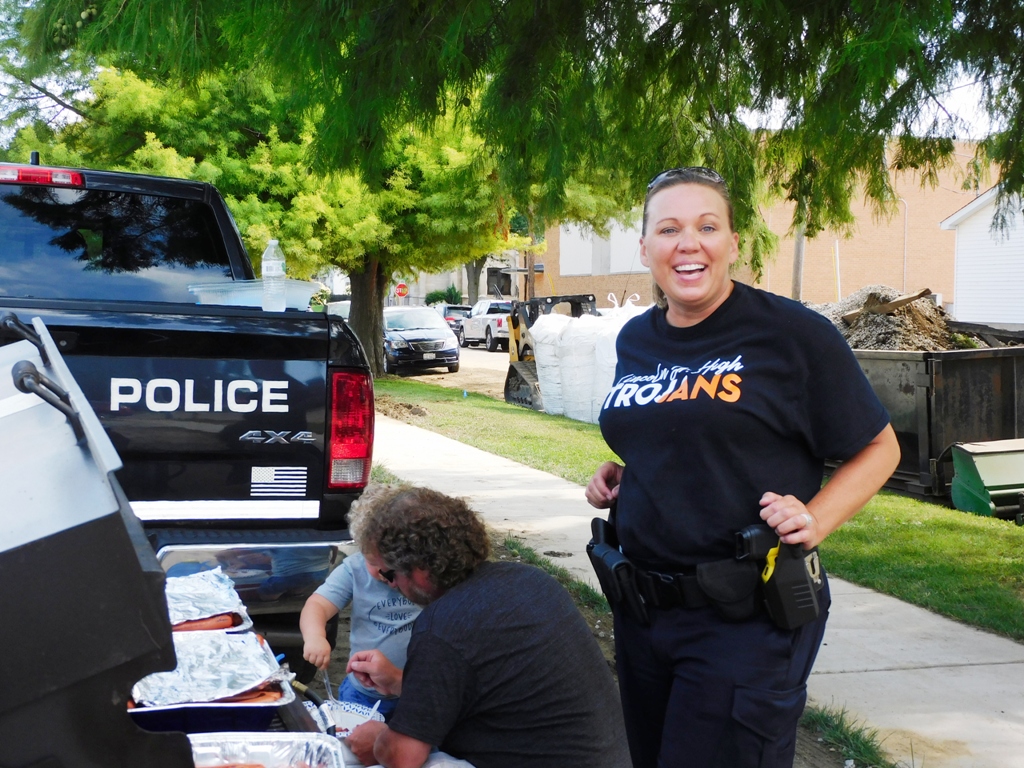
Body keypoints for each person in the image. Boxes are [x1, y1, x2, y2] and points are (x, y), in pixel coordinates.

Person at [585, 166, 901, 768]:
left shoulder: (792, 334)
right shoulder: (637, 339)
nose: (689, 244)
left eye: (707, 227)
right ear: (645, 247)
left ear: (733, 243)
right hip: (644, 611)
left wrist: (816, 518)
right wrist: (628, 470)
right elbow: (683, 431)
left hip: (746, 617)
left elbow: (880, 447)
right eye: (669, 229)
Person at [341, 485, 631, 768]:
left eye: (390, 574)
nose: (391, 585)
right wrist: (400, 683)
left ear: (419, 571)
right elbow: (487, 688)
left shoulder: (443, 627)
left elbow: (403, 757)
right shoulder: (529, 579)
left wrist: (378, 741)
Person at [300, 486, 422, 719]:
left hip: (413, 691)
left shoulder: (422, 576)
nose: (383, 573)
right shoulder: (354, 569)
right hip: (362, 692)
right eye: (373, 562)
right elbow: (317, 605)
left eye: (393, 564)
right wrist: (315, 636)